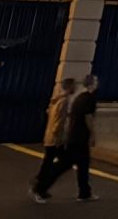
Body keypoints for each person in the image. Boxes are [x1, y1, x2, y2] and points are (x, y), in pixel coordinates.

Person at [34, 73, 97, 201]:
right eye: (96, 81)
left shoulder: (77, 98)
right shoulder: (85, 98)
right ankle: (40, 188)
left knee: (82, 165)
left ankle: (84, 192)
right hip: (78, 138)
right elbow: (87, 117)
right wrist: (92, 134)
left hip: (74, 137)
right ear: (92, 84)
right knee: (63, 165)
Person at [31, 78, 77, 201]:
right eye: (74, 86)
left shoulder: (55, 100)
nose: (76, 88)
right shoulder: (64, 102)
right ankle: (40, 187)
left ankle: (40, 181)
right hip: (56, 139)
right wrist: (59, 139)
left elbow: (49, 114)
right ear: (70, 87)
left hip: (49, 137)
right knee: (64, 163)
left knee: (48, 161)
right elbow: (59, 123)